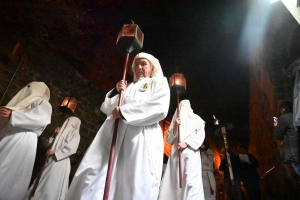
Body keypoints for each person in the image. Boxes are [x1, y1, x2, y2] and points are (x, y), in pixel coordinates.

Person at [65, 52, 170, 200]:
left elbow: (160, 107)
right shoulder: (128, 86)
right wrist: (117, 91)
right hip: (113, 135)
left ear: (152, 67)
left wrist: (125, 112)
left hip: (139, 137)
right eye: (136, 64)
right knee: (95, 173)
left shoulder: (158, 82)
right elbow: (109, 109)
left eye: (143, 64)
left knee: (130, 180)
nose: (139, 67)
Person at [0, 81, 52, 200]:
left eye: (30, 87)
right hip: (14, 136)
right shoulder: (29, 102)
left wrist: (13, 116)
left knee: (9, 168)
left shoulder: (42, 102)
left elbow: (41, 119)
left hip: (22, 138)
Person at [158, 99, 205, 200]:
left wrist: (187, 143)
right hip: (176, 155)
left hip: (190, 153)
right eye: (180, 106)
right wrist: (175, 127)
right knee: (175, 181)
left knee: (190, 181)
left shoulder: (197, 120)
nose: (182, 109)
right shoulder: (176, 121)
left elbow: (200, 137)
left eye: (184, 106)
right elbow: (169, 140)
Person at [26, 116, 81, 200]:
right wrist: (55, 135)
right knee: (42, 180)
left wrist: (55, 152)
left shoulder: (75, 133)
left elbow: (71, 149)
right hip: (50, 160)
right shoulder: (61, 132)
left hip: (60, 162)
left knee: (51, 182)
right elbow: (48, 145)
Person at [273, 101, 300, 183]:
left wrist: (277, 125)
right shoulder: (297, 117)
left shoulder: (284, 118)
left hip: (292, 153)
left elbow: (278, 135)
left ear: (283, 109)